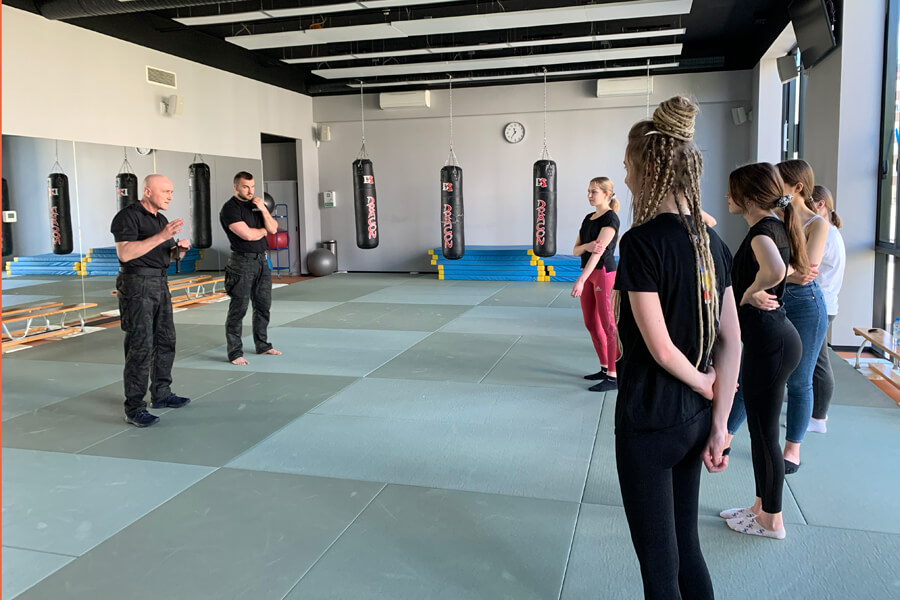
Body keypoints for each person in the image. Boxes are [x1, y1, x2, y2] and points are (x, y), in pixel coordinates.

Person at [614, 96, 741, 599]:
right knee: (686, 544)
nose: (625, 181)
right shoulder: (714, 243)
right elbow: (733, 340)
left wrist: (702, 381)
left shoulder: (641, 243)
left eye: (627, 170)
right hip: (693, 421)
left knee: (658, 565)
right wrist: (719, 421)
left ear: (650, 171)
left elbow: (662, 349)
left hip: (649, 421)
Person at [719, 163, 805, 540]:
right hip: (774, 340)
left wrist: (750, 291)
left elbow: (775, 269)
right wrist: (753, 289)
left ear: (748, 197)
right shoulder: (774, 225)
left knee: (765, 433)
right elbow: (782, 268)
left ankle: (772, 520)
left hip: (772, 343)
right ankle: (760, 506)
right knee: (759, 429)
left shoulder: (761, 231)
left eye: (731, 191)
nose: (726, 197)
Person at [725, 160, 827, 473]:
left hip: (804, 305)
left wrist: (753, 286)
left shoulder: (811, 224)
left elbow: (803, 274)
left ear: (796, 187)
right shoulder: (776, 221)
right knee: (746, 378)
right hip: (775, 303)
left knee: (799, 381)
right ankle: (724, 434)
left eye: (779, 179)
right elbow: (793, 270)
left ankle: (792, 449)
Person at [111, 174, 191, 427]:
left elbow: (158, 253)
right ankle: (134, 407)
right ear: (147, 191)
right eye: (166, 191)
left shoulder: (161, 219)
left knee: (166, 340)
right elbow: (125, 253)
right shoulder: (128, 216)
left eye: (171, 191)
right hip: (136, 285)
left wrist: (178, 251)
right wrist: (161, 236)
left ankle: (161, 393)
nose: (170, 196)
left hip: (159, 282)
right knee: (140, 345)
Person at [220, 171, 282, 365]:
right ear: (236, 187)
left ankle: (262, 345)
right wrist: (264, 230)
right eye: (245, 186)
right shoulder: (230, 209)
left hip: (262, 261)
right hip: (241, 262)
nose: (250, 190)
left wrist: (263, 210)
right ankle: (235, 353)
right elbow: (247, 235)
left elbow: (274, 228)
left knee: (263, 306)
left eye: (252, 186)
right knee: (239, 308)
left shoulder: (256, 205)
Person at [571, 177, 620, 392]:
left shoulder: (611, 219)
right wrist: (587, 245)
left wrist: (581, 279)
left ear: (607, 194)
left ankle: (614, 374)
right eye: (588, 191)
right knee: (591, 323)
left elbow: (597, 254)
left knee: (609, 325)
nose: (590, 196)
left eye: (594, 192)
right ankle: (603, 367)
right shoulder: (588, 218)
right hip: (589, 273)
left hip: (603, 274)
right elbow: (576, 250)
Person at [805, 185, 846, 433]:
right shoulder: (831, 233)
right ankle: (813, 411)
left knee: (818, 362)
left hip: (820, 304)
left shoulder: (826, 235)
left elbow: (809, 268)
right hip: (824, 303)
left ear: (820, 204)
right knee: (812, 361)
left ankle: (819, 417)